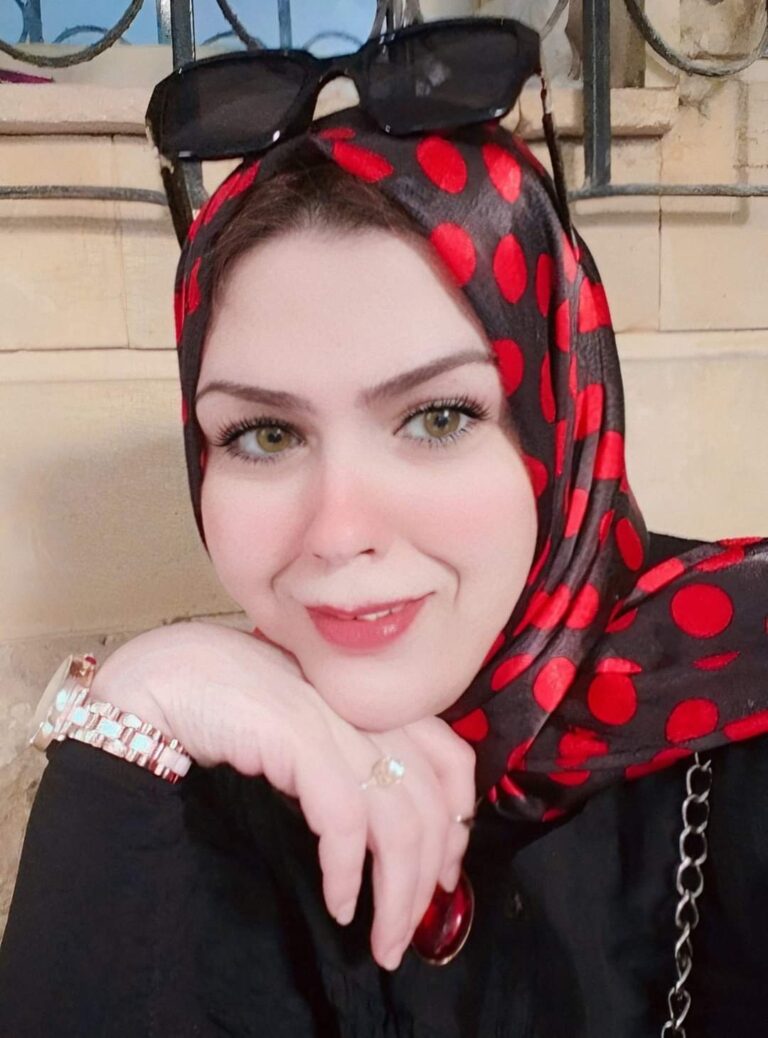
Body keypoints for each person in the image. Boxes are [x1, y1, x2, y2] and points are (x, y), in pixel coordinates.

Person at [2, 32, 768, 1037]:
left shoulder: (740, 705)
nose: (339, 532)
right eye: (264, 433)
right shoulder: (207, 774)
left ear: (562, 423)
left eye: (438, 417)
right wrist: (132, 708)